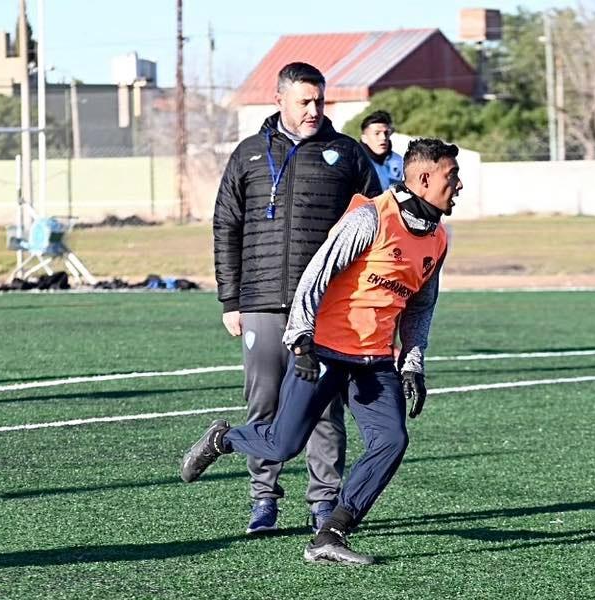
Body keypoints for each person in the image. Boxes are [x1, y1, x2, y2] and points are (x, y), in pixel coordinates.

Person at [183, 138, 461, 566]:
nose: (458, 186)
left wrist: (413, 363)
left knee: (391, 440)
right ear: (424, 179)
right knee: (282, 444)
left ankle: (331, 532)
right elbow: (315, 276)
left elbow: (421, 306)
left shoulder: (438, 238)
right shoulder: (370, 219)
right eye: (451, 176)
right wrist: (301, 340)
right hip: (326, 351)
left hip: (375, 361)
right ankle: (222, 439)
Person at [212, 62, 381, 535]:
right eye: (304, 101)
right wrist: (231, 300)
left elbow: (377, 224)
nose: (313, 110)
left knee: (323, 407)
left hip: (326, 308)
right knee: (263, 403)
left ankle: (324, 503)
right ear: (280, 100)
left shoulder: (347, 153)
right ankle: (263, 500)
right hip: (262, 301)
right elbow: (226, 225)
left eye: (319, 101)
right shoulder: (247, 155)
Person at [359, 110, 404, 191]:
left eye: (386, 133)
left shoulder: (398, 160)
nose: (383, 137)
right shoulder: (356, 163)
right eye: (377, 133)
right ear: (364, 138)